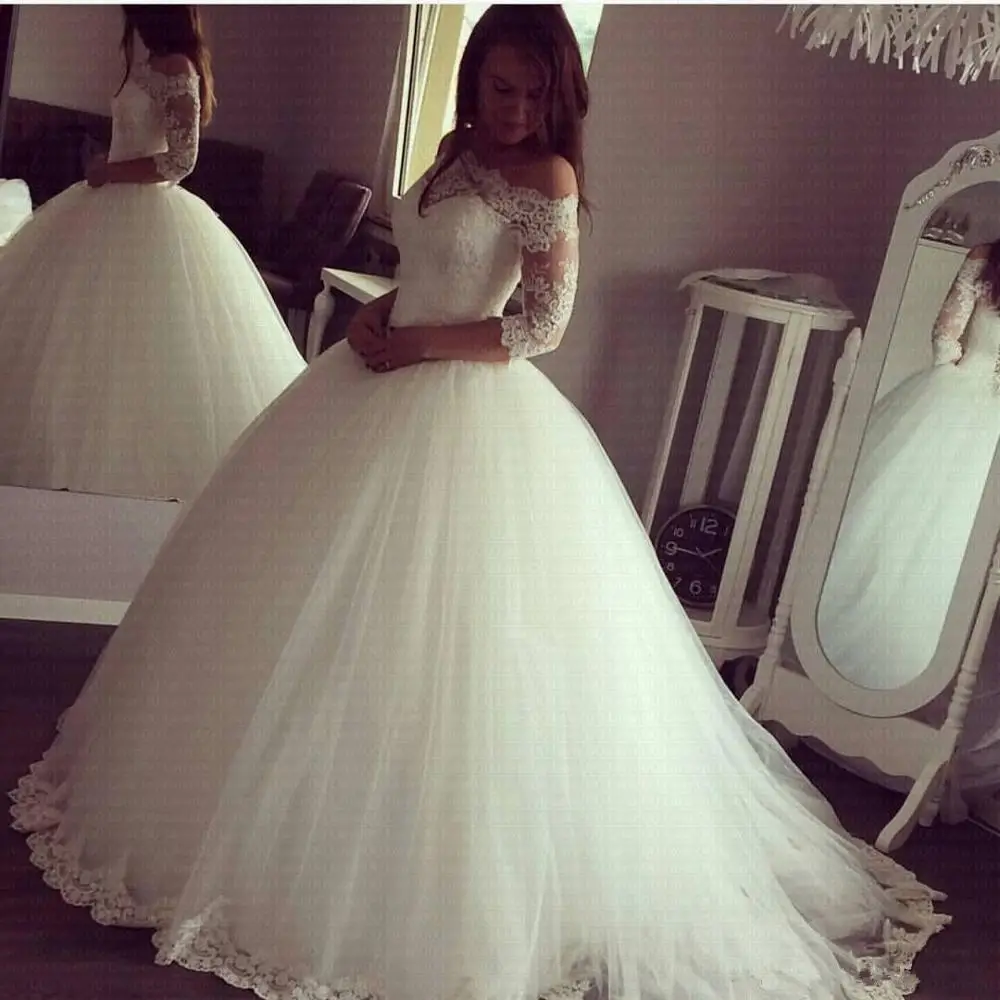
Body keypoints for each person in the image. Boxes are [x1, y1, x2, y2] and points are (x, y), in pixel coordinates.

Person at [9, 7, 947, 1000]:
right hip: (369, 383)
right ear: (473, 83)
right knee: (298, 612)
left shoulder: (551, 177)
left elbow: (539, 325)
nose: (516, 109)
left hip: (466, 410)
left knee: (447, 639)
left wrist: (417, 342)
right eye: (500, 88)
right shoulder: (455, 149)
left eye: (535, 93)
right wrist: (377, 316)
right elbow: (422, 266)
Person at [0, 5, 305, 502]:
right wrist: (108, 163)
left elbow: (182, 161)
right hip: (103, 205)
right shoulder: (148, 64)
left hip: (147, 213)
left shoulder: (180, 68)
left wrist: (111, 172)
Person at [818, 242, 1000, 692]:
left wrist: (959, 369)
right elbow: (944, 336)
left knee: (903, 523)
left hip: (955, 399)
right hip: (967, 409)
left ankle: (888, 646)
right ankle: (916, 661)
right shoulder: (985, 255)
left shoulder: (987, 256)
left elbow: (945, 336)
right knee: (945, 537)